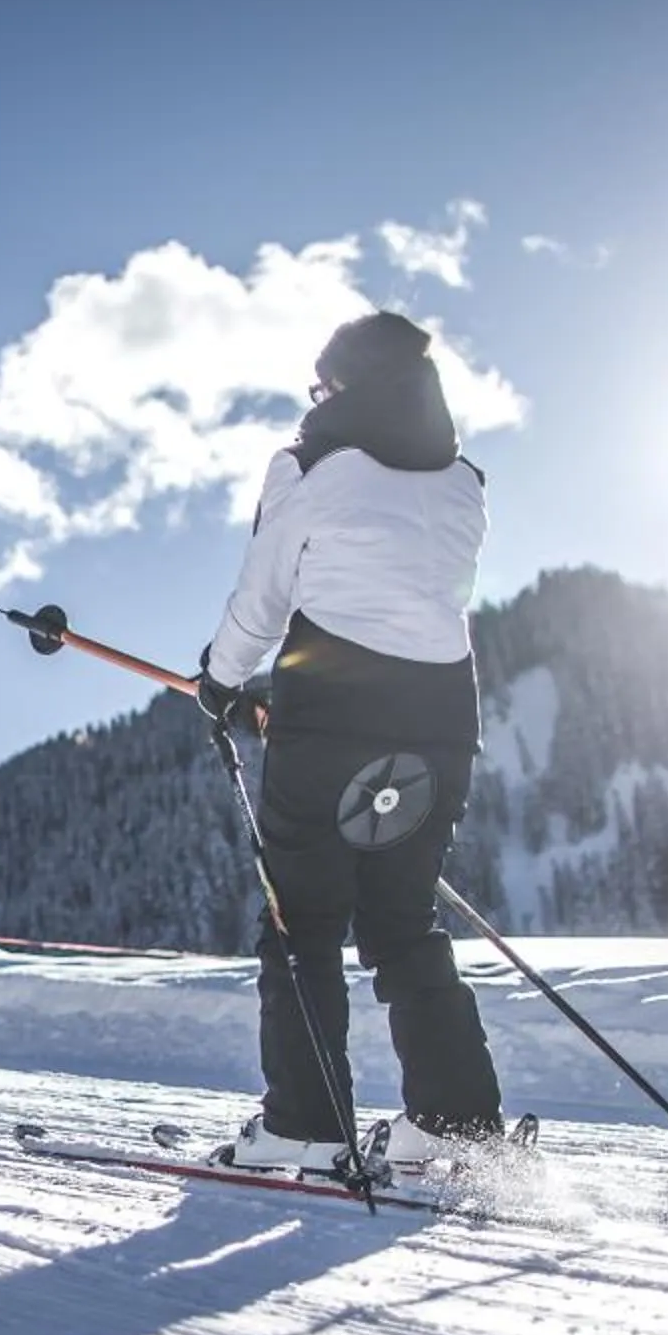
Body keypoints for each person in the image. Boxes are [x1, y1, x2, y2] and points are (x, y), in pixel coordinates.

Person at [194, 310, 506, 1178]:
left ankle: (305, 1121)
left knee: (304, 920)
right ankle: (455, 1120)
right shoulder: (465, 481)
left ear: (347, 387)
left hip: (330, 720)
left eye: (320, 386)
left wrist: (220, 682)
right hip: (440, 724)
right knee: (401, 921)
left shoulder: (307, 468)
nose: (312, 402)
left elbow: (264, 596)